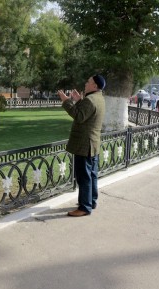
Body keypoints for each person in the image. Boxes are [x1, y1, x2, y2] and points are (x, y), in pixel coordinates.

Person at [58, 75, 106, 217]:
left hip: (84, 145)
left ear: (95, 86)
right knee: (92, 175)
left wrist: (66, 101)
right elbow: (86, 114)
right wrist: (79, 101)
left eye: (89, 82)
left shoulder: (90, 100)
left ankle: (84, 207)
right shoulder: (98, 98)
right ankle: (91, 201)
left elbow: (79, 116)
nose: (86, 83)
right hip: (93, 144)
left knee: (84, 177)